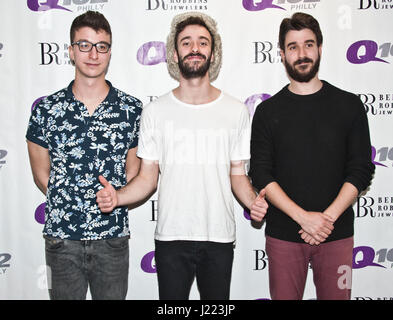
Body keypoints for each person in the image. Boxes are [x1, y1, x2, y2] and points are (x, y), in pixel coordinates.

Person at [96, 12, 268, 300]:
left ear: (212, 53)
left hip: (219, 236)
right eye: (186, 43)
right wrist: (119, 197)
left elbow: (237, 174)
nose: (195, 48)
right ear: (175, 54)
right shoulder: (155, 112)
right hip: (171, 237)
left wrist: (254, 203)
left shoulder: (236, 110)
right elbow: (148, 178)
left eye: (202, 42)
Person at [249, 12, 375, 300]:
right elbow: (261, 173)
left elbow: (360, 169)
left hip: (337, 234)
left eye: (308, 44)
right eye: (293, 47)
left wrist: (325, 219)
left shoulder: (350, 106)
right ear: (281, 54)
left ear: (320, 48)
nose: (302, 53)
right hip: (284, 236)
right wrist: (303, 218)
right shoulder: (268, 112)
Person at [26, 11, 142, 300]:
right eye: (84, 45)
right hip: (61, 239)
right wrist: (69, 197)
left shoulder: (132, 110)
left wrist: (114, 195)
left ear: (110, 52)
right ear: (71, 51)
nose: (93, 54)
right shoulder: (46, 110)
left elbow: (135, 170)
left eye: (101, 46)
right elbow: (42, 174)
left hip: (112, 237)